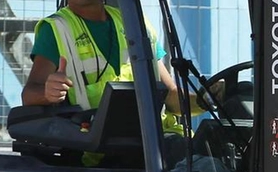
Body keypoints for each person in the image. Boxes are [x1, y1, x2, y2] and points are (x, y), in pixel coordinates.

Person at [21, 0, 182, 115]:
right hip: (97, 152)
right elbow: (29, 94)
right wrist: (48, 93)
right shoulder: (55, 29)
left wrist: (205, 98)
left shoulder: (136, 23)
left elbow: (171, 98)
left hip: (156, 141)